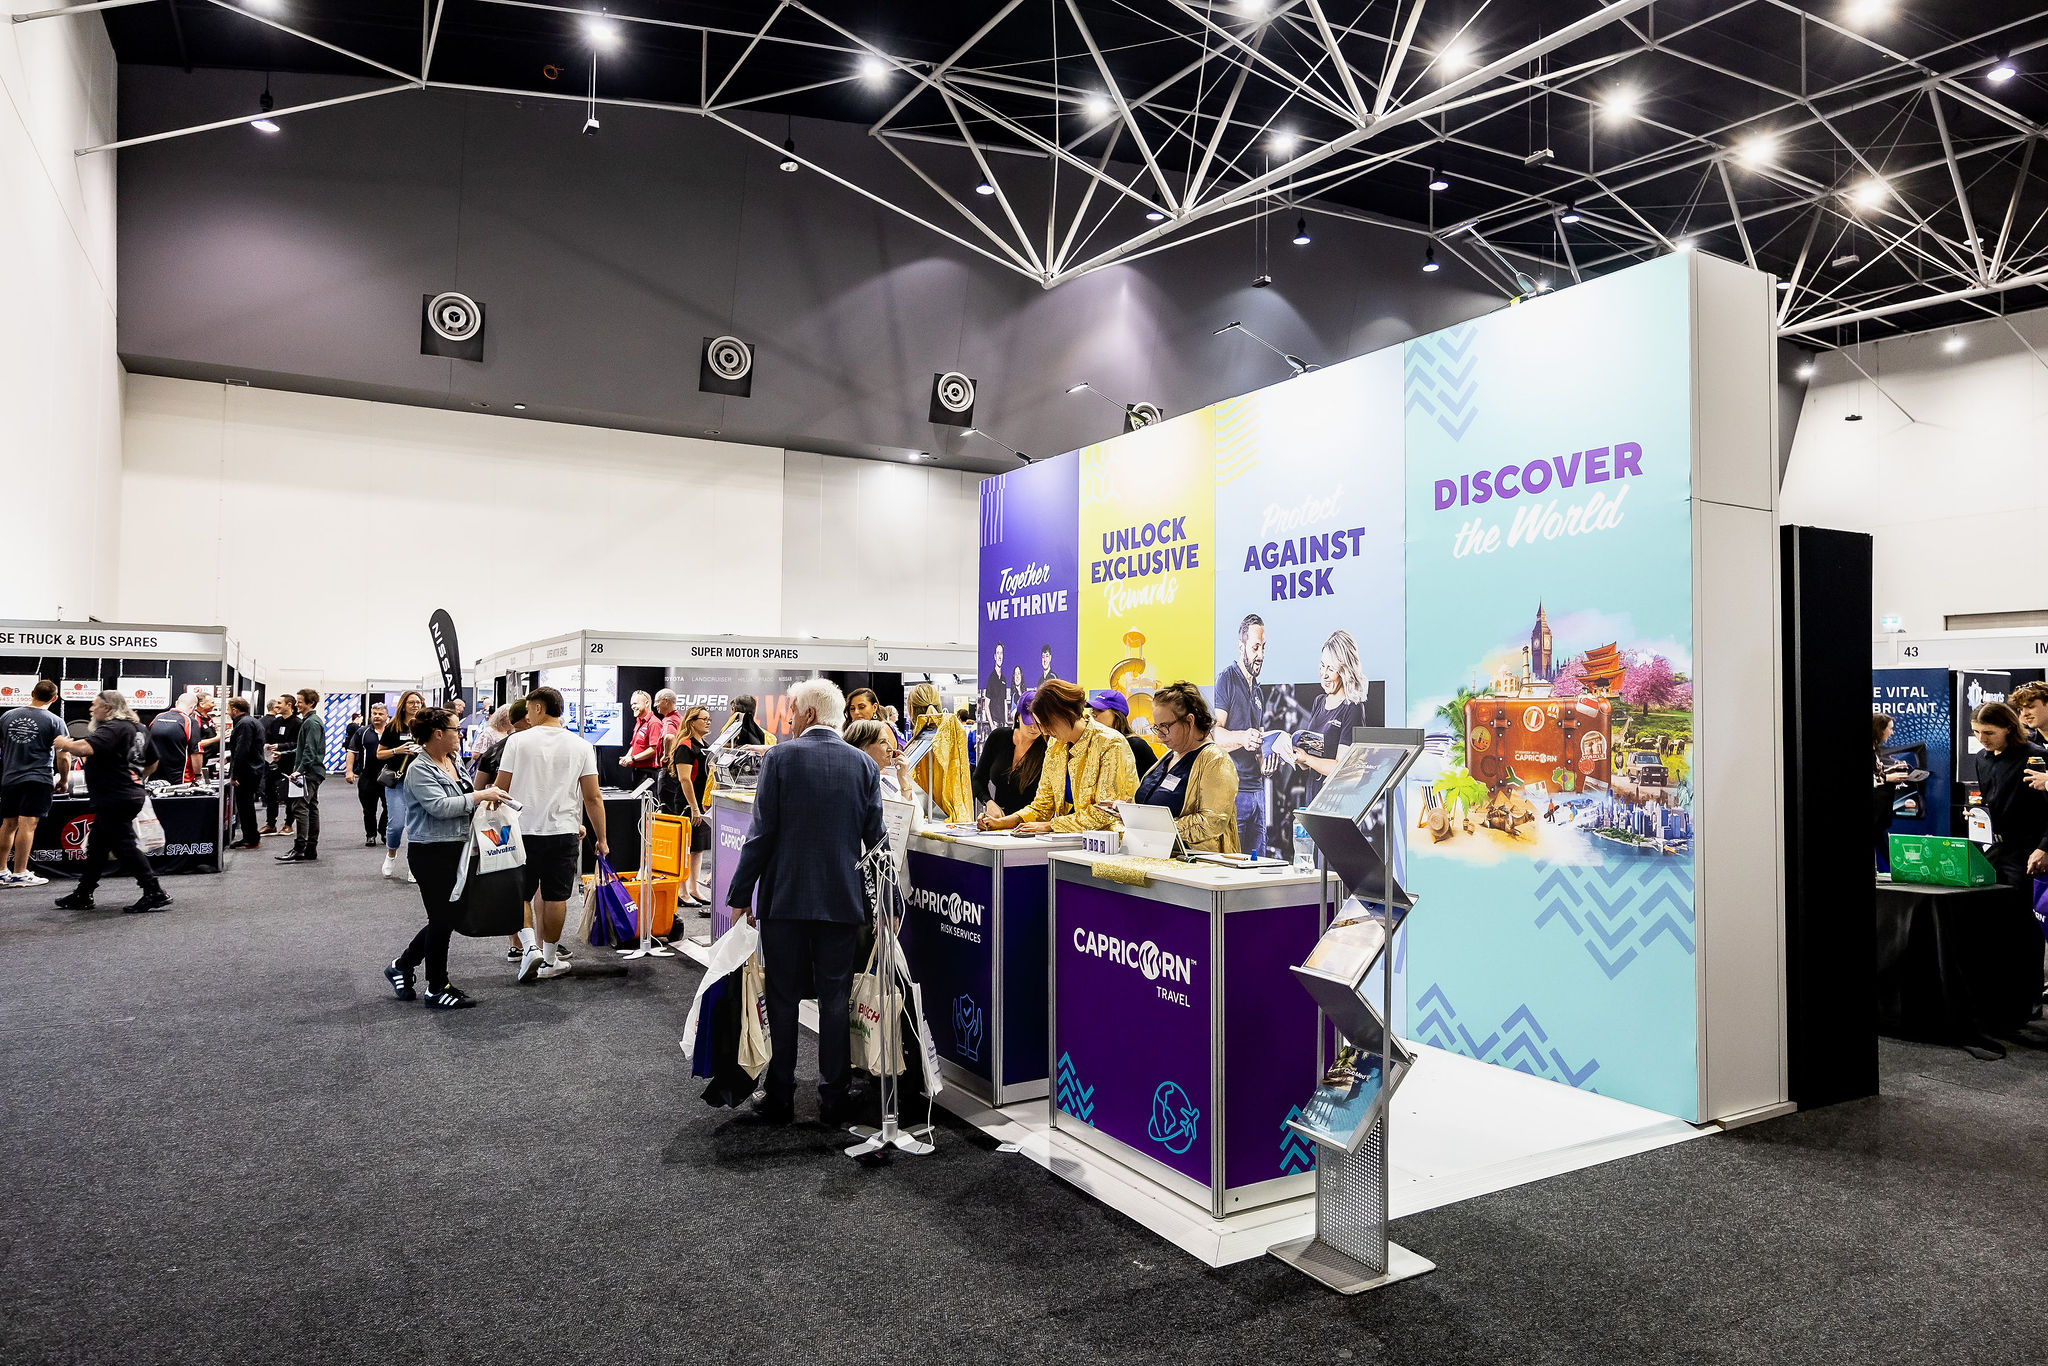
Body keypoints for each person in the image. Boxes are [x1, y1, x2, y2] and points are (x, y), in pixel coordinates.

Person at [724, 678, 883, 1125]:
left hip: (785, 898)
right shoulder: (864, 766)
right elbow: (877, 842)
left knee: (782, 996)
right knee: (835, 998)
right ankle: (834, 1098)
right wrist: (886, 905)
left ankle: (780, 1096)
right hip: (841, 901)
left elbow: (760, 835)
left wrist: (740, 894)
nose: (788, 719)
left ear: (809, 714)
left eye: (792, 711)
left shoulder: (780, 758)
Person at [383, 706, 515, 1012]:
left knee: (449, 916)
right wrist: (481, 797)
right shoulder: (419, 769)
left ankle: (402, 965)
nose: (460, 735)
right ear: (438, 734)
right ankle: (436, 987)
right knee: (443, 918)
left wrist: (484, 802)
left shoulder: (453, 760)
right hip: (431, 852)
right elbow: (440, 807)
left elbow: (463, 798)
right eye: (456, 729)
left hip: (458, 848)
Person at [493, 686, 607, 983]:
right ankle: (550, 959)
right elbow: (593, 797)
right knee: (557, 896)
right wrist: (602, 839)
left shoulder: (517, 742)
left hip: (521, 830)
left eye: (529, 709)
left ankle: (529, 947)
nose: (527, 716)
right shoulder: (581, 745)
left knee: (521, 893)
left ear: (540, 708)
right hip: (563, 832)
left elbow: (500, 789)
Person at [52, 691, 169, 913]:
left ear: (108, 707)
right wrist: (137, 779)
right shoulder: (139, 728)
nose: (91, 709)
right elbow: (153, 761)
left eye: (94, 705)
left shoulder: (113, 728)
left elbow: (85, 748)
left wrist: (63, 743)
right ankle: (84, 893)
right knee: (97, 845)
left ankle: (154, 891)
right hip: (124, 794)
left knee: (124, 845)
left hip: (116, 797)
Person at [977, 677, 1138, 834]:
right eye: (1041, 724)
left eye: (1047, 723)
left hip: (1111, 846)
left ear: (1065, 713)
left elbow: (1105, 812)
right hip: (1071, 843)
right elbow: (1042, 805)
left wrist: (1051, 826)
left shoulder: (1111, 744)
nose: (1045, 731)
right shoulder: (1056, 746)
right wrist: (1002, 823)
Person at [1131, 682, 1241, 854]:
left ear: (1189, 721)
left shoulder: (1216, 760)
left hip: (1197, 867)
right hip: (1154, 857)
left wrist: (1159, 828)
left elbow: (1212, 822)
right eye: (1156, 727)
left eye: (1165, 727)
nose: (1159, 735)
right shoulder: (1168, 757)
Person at [1275, 628, 1373, 806]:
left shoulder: (1352, 708)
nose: (1324, 674)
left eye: (1331, 668)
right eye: (1322, 666)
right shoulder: (1319, 702)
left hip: (1336, 804)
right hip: (1313, 798)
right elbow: (1309, 764)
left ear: (1345, 670)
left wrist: (1306, 758)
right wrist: (1295, 754)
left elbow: (1343, 769)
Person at [1966, 701, 2048, 887]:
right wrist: (1977, 814)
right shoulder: (1981, 758)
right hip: (1994, 849)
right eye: (1976, 732)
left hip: (2028, 852)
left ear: (2009, 728)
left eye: (1989, 733)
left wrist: (2044, 848)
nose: (1981, 738)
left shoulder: (2035, 756)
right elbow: (1991, 801)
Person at [1214, 613, 1274, 856]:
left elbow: (1257, 739)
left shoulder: (1258, 691)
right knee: (1233, 864)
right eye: (1255, 647)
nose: (1260, 654)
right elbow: (1215, 735)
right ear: (1241, 646)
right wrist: (1242, 738)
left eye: (1263, 647)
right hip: (1234, 792)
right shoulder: (1226, 679)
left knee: (1258, 865)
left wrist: (1265, 762)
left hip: (1258, 792)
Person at [0, 681, 65, 888]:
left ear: (32, 693)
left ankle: (1, 871)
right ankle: (19, 873)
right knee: (27, 825)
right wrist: (63, 780)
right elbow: (64, 757)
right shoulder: (55, 721)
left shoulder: (7, 716)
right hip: (38, 779)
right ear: (54, 698)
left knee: (8, 825)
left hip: (10, 778)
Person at [903, 682, 974, 821]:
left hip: (935, 815)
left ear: (911, 708)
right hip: (953, 813)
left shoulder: (927, 737)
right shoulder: (949, 729)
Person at [973, 689, 1046, 818]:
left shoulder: (1048, 747)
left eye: (1039, 723)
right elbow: (978, 779)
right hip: (999, 822)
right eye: (1028, 722)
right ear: (1018, 717)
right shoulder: (998, 737)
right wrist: (989, 802)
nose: (1034, 728)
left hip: (1032, 824)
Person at [668, 704, 714, 907]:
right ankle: (682, 891)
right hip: (688, 805)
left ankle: (694, 888)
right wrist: (694, 808)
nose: (708, 721)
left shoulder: (705, 745)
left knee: (698, 849)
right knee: (685, 849)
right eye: (703, 718)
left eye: (708, 718)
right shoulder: (685, 746)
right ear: (691, 721)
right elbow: (685, 780)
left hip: (702, 805)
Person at [378, 690, 428, 879]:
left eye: (418, 702)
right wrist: (397, 750)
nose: (415, 705)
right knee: (397, 824)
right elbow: (379, 754)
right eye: (411, 702)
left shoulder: (426, 727)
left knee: (417, 827)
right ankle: (391, 854)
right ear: (403, 705)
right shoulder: (393, 727)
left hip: (421, 782)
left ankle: (413, 865)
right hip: (397, 782)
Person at [276, 688, 326, 863]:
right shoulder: (310, 721)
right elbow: (304, 748)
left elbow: (310, 751)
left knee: (301, 808)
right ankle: (309, 849)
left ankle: (300, 848)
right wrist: (284, 753)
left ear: (310, 703)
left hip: (309, 772)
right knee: (311, 808)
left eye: (300, 702)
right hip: (312, 771)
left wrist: (300, 770)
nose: (297, 704)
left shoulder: (311, 723)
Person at [345, 701, 390, 847]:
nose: (376, 716)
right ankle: (370, 835)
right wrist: (349, 771)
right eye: (374, 714)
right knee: (368, 809)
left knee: (390, 807)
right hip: (367, 776)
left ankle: (383, 831)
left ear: (386, 715)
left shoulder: (392, 731)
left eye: (380, 714)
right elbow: (352, 751)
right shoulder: (362, 732)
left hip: (388, 776)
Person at [1088, 688, 1158, 780]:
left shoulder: (1136, 745)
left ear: (1117, 715)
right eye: (1092, 710)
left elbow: (1155, 781)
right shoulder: (1093, 744)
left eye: (1100, 710)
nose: (1093, 715)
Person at [846, 718, 921, 803]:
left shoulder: (891, 781)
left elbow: (915, 815)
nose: (890, 748)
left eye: (888, 741)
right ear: (861, 748)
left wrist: (903, 779)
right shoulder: (850, 787)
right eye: (882, 742)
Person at [226, 696, 266, 849]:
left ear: (235, 710)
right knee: (246, 805)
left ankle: (251, 838)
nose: (228, 712)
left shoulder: (244, 724)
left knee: (245, 805)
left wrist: (235, 775)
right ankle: (250, 837)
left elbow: (242, 750)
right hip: (252, 769)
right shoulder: (252, 722)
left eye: (229, 709)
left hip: (247, 771)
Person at [262, 696, 299, 835]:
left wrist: (281, 747)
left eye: (279, 703)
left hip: (290, 764)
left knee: (290, 795)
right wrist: (268, 746)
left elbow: (298, 744)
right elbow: (268, 737)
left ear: (289, 705)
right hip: (272, 762)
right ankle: (270, 824)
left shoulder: (297, 723)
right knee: (270, 793)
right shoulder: (275, 722)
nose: (276, 705)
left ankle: (288, 824)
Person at [147, 692, 198, 784]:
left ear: (176, 703)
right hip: (180, 780)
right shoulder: (190, 722)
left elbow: (148, 745)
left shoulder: (158, 717)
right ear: (193, 707)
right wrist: (198, 775)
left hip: (154, 777)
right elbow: (196, 751)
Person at [621, 689, 665, 791]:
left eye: (635, 703)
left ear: (646, 703)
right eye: (631, 704)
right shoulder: (639, 722)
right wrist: (627, 757)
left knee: (646, 804)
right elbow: (634, 745)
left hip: (649, 774)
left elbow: (654, 749)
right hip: (638, 772)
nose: (633, 707)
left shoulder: (654, 723)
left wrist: (632, 758)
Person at [983, 643, 1009, 733]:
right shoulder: (991, 678)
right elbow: (986, 705)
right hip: (994, 724)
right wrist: (992, 725)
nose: (999, 656)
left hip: (1003, 724)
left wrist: (1006, 722)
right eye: (998, 653)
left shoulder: (1004, 679)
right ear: (994, 656)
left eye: (1001, 653)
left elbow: (1004, 702)